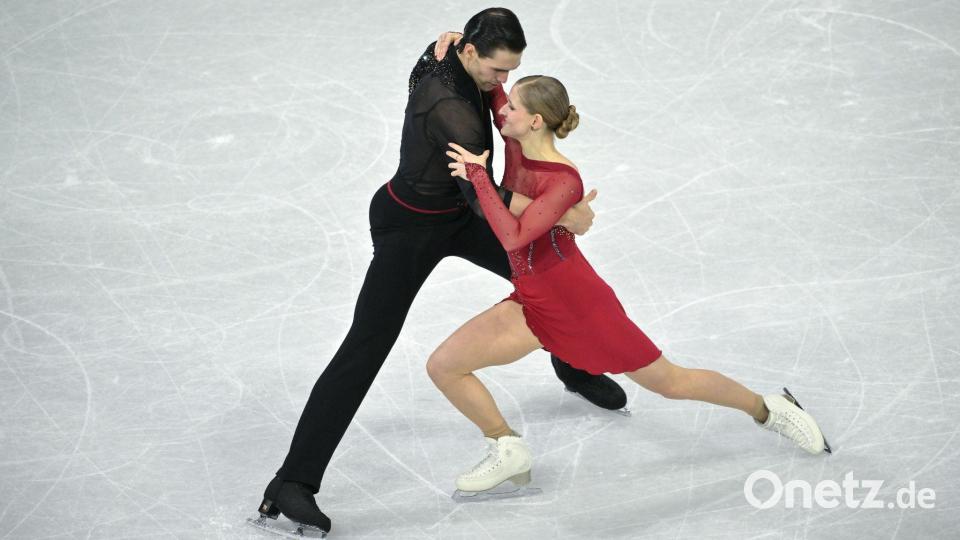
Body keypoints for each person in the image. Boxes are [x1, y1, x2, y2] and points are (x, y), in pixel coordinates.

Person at [253, 9, 628, 536]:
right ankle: (292, 483)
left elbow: (419, 76)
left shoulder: (450, 56)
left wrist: (444, 46)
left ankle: (573, 365)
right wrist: (562, 211)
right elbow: (480, 197)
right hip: (410, 227)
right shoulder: (454, 110)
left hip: (459, 215)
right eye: (499, 73)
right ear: (472, 54)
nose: (505, 86)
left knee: (549, 280)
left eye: (512, 72)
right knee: (368, 343)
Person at [429, 75, 832, 495]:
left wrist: (478, 176)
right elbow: (494, 91)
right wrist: (460, 50)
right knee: (444, 365)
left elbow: (514, 237)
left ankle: (768, 409)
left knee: (670, 382)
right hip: (532, 298)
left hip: (577, 302)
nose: (502, 113)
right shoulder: (516, 142)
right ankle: (505, 446)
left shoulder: (565, 180)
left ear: (534, 121)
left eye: (512, 107)